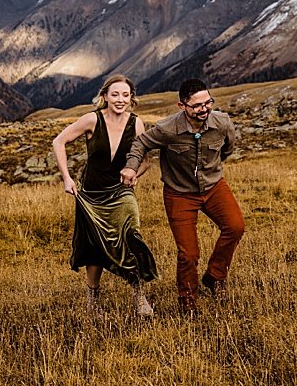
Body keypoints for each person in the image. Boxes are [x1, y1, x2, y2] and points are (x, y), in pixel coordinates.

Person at [121, 78, 245, 314]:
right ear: (182, 106)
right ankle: (187, 302)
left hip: (214, 186)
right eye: (197, 105)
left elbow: (227, 148)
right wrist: (130, 167)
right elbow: (140, 144)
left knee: (236, 226)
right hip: (179, 194)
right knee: (188, 253)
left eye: (208, 102)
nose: (204, 109)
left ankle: (215, 276)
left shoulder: (222, 122)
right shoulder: (167, 129)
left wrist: (212, 169)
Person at [52, 75, 158, 317]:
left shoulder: (136, 124)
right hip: (91, 194)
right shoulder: (92, 119)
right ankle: (93, 300)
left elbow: (146, 159)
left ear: (132, 98)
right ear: (105, 97)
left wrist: (135, 173)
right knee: (94, 247)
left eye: (125, 95)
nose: (120, 99)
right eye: (115, 94)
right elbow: (59, 142)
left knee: (132, 237)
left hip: (122, 193)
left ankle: (139, 296)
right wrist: (67, 178)